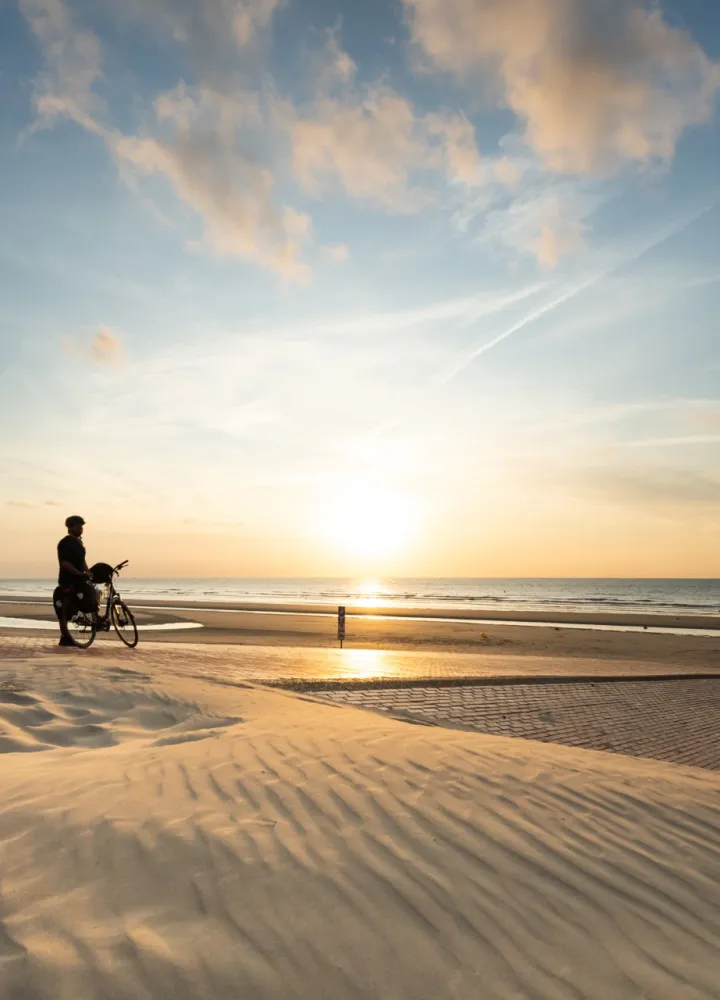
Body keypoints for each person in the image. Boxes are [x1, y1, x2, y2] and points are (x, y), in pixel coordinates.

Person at [53, 515, 92, 647]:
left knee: (85, 599)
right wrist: (77, 573)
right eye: (78, 526)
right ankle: (65, 636)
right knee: (63, 608)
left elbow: (82, 561)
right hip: (67, 579)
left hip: (79, 579)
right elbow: (64, 563)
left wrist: (87, 571)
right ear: (70, 528)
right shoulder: (64, 543)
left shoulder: (79, 543)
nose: (81, 529)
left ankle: (85, 624)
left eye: (82, 526)